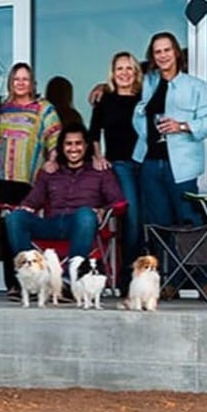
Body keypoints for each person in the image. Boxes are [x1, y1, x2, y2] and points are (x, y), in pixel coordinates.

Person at [4, 123, 125, 281]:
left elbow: (118, 201)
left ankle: (70, 279)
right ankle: (35, 277)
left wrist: (103, 210)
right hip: (52, 223)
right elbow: (32, 201)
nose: (73, 148)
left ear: (86, 146)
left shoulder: (100, 171)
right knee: (16, 217)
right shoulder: (51, 171)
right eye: (68, 144)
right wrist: (23, 209)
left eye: (78, 143)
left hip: (81, 225)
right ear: (61, 147)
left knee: (85, 214)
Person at [134, 32, 207, 228]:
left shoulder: (196, 86)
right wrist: (103, 87)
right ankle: (163, 260)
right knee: (157, 225)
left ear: (176, 53)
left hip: (181, 166)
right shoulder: (147, 83)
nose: (163, 55)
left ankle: (191, 261)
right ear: (153, 57)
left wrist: (182, 126)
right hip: (150, 163)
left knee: (188, 221)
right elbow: (122, 83)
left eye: (167, 50)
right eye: (157, 52)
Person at [0, 62, 62, 292]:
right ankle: (13, 284)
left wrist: (52, 160)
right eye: (16, 79)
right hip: (2, 180)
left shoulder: (44, 109)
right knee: (4, 234)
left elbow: (55, 139)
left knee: (23, 231)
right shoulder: (1, 109)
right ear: (10, 82)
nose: (20, 83)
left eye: (25, 79)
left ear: (32, 83)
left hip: (29, 182)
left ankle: (34, 283)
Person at [87, 51, 143, 293]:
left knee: (149, 218)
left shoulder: (144, 98)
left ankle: (148, 275)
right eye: (120, 68)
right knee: (132, 217)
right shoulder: (105, 99)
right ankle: (127, 277)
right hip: (119, 164)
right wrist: (98, 157)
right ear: (113, 72)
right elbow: (93, 132)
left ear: (136, 72)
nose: (124, 73)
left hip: (145, 162)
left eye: (129, 68)